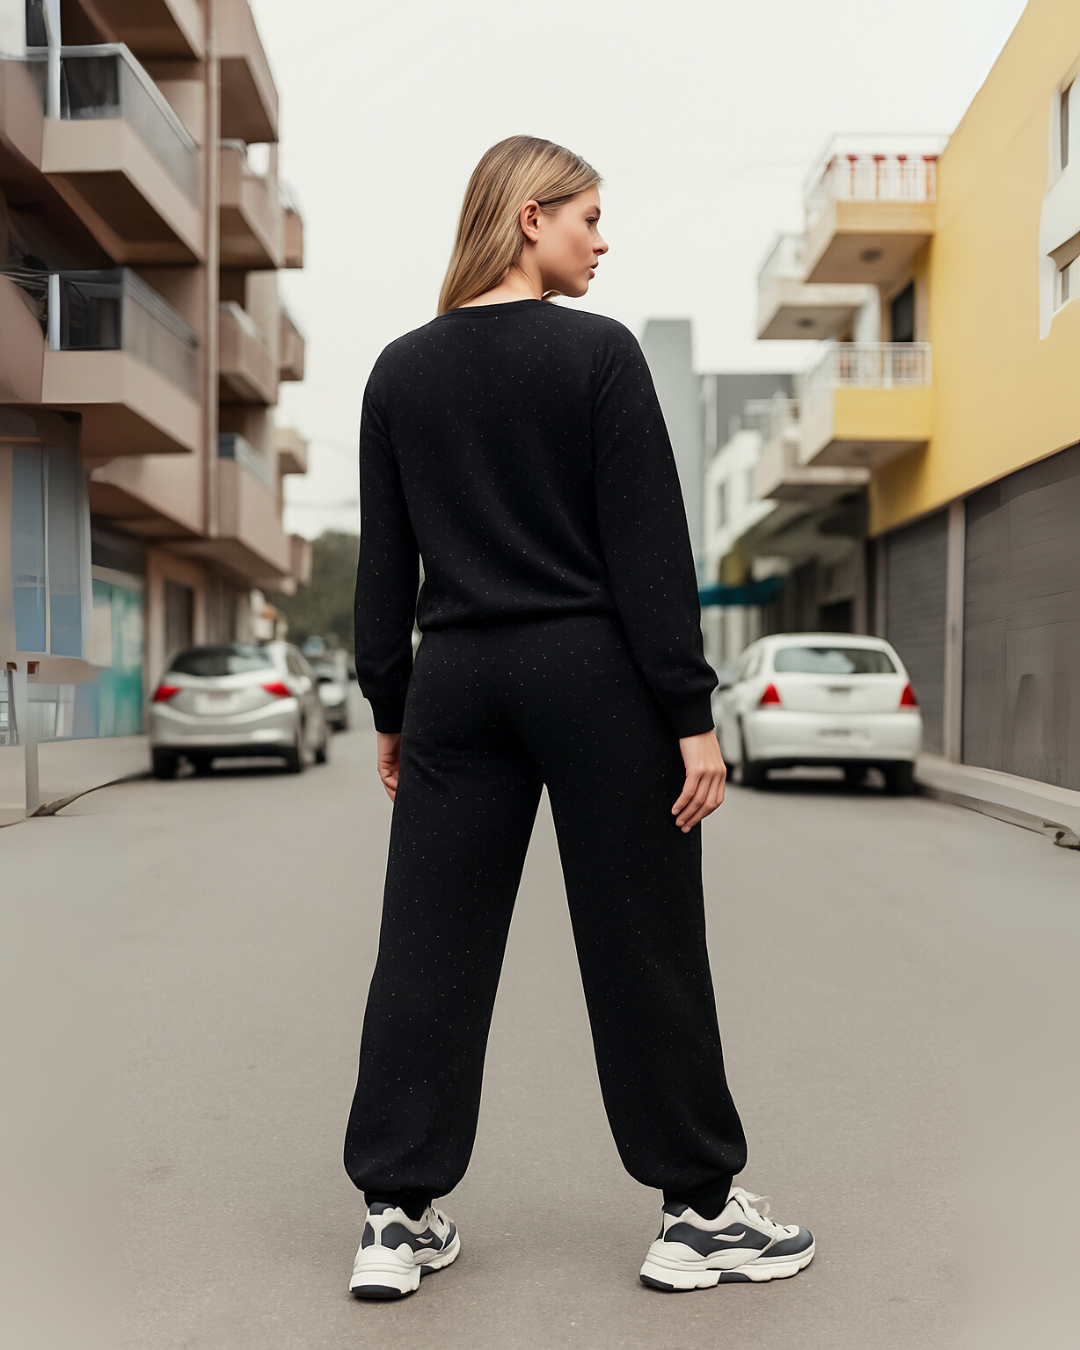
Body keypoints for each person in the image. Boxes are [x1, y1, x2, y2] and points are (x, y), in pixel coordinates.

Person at [345, 135, 813, 1299]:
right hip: (592, 676)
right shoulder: (600, 357)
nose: (604, 240)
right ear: (528, 218)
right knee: (643, 942)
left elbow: (382, 573)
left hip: (457, 680)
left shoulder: (398, 372)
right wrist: (690, 714)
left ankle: (396, 1217)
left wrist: (393, 704)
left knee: (428, 945)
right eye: (589, 217)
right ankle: (699, 1212)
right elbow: (650, 552)